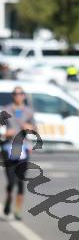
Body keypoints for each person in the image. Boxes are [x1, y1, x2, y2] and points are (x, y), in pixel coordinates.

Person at [2, 86, 36, 220]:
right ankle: (8, 200)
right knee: (11, 181)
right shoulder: (6, 110)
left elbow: (36, 129)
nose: (18, 96)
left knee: (20, 181)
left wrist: (30, 128)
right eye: (15, 94)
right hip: (8, 147)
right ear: (13, 95)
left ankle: (17, 210)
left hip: (23, 148)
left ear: (24, 96)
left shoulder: (29, 111)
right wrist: (5, 133)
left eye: (21, 93)